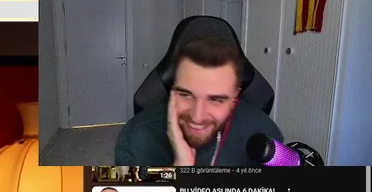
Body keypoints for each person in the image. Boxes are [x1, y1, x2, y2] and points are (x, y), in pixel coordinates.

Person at [115, 36, 284, 167]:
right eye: (185, 95)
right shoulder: (134, 137)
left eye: (216, 100)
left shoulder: (267, 134)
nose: (197, 117)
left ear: (235, 99)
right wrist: (181, 167)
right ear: (172, 90)